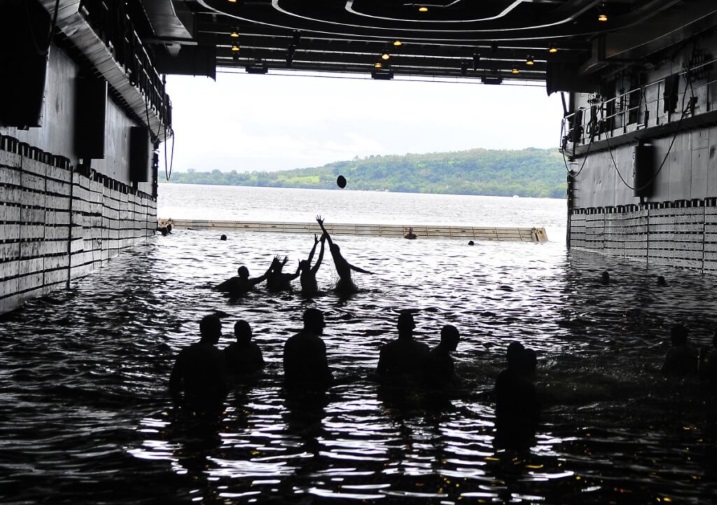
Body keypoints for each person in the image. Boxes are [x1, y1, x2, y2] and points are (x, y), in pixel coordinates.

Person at [169, 314, 228, 413]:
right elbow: (222, 387)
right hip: (210, 406)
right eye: (218, 330)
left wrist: (178, 403)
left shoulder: (185, 353)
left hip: (189, 403)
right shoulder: (218, 355)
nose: (220, 334)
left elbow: (173, 383)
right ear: (212, 332)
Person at [493, 341, 540, 451]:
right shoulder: (527, 386)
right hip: (520, 432)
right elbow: (535, 415)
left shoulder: (501, 377)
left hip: (503, 428)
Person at [316, 215, 372, 294]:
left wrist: (366, 272)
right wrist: (321, 225)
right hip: (345, 283)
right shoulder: (336, 258)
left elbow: (354, 267)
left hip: (347, 282)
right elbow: (328, 238)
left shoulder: (341, 259)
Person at [283, 308, 333, 389]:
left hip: (291, 385)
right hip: (312, 387)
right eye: (321, 321)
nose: (324, 325)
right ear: (314, 322)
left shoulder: (291, 341)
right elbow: (323, 371)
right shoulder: (317, 342)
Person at [376, 312, 430, 383]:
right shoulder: (423, 349)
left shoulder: (387, 349)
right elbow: (428, 374)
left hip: (392, 387)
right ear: (413, 326)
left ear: (397, 327)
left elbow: (379, 374)